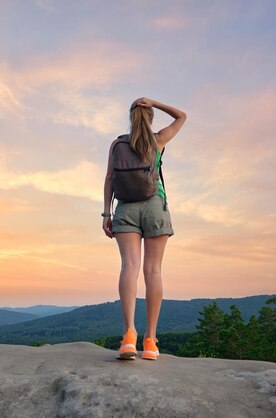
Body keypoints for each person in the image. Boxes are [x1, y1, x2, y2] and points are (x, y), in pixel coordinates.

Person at [102, 97, 187, 360]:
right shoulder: (158, 140)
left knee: (129, 267)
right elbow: (182, 116)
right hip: (154, 206)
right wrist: (155, 103)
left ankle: (129, 335)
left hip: (125, 206)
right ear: (150, 118)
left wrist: (107, 212)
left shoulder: (117, 144)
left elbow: (109, 179)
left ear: (131, 118)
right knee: (153, 271)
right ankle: (150, 342)